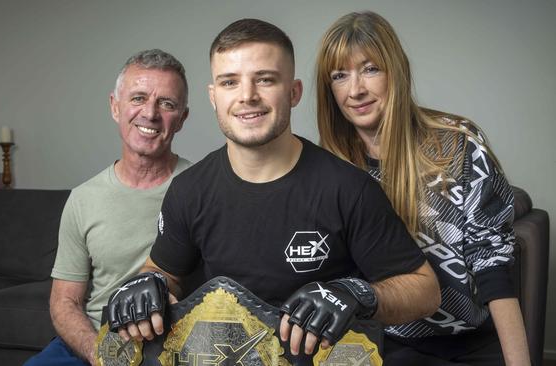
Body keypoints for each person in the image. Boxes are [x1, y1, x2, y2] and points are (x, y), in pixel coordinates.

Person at [106, 18, 440, 357]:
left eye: (265, 80)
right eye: (230, 82)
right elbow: (164, 270)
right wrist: (149, 282)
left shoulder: (348, 189)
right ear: (213, 96)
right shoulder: (189, 191)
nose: (247, 96)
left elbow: (425, 290)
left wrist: (358, 294)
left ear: (293, 92)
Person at [315, 11, 530, 365]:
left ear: (395, 71)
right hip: (385, 342)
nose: (355, 90)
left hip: (472, 340)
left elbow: (492, 261)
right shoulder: (332, 168)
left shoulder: (458, 145)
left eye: (370, 69)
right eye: (340, 76)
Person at [24, 49, 191, 366]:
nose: (150, 113)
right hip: (96, 342)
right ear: (115, 106)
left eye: (167, 104)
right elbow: (65, 301)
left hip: (170, 344)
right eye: (138, 98)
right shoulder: (83, 198)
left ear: (182, 118)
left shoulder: (201, 188)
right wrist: (100, 356)